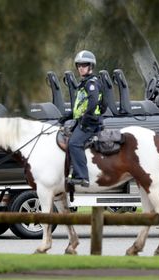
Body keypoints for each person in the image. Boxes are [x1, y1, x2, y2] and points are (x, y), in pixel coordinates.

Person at [59, 50, 104, 187]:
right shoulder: (84, 83)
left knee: (74, 143)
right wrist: (68, 116)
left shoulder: (92, 83)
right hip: (83, 120)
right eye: (79, 65)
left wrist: (85, 120)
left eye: (84, 65)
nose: (81, 68)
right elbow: (81, 106)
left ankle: (82, 176)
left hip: (90, 123)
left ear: (91, 67)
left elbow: (92, 103)